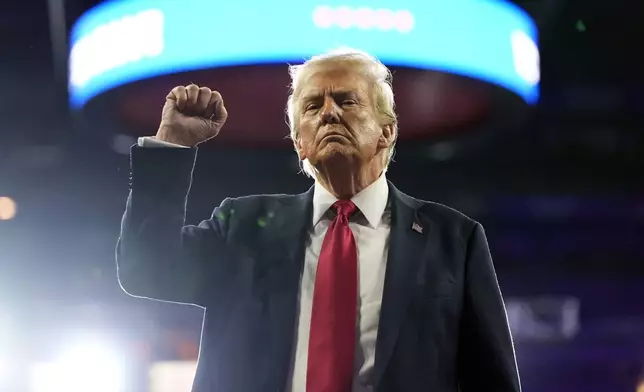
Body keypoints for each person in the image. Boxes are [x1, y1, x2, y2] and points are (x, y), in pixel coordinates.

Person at [117, 48, 521, 392]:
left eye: (346, 101)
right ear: (299, 144)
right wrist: (170, 145)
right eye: (313, 106)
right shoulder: (243, 225)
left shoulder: (453, 240)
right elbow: (146, 268)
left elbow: (492, 381)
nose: (329, 114)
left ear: (386, 131)